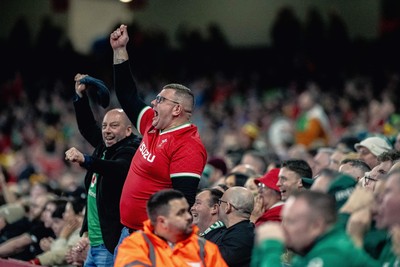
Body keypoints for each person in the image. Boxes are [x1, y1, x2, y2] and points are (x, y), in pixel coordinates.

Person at [110, 25, 207, 241]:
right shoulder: (152, 126)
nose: (153, 101)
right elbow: (127, 95)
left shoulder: (188, 146)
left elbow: (183, 201)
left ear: (176, 109)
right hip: (128, 232)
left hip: (151, 239)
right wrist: (120, 50)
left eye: (160, 99)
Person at [65, 73, 141, 266]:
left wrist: (86, 160)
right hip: (94, 243)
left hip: (110, 245)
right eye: (105, 125)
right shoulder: (104, 146)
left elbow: (116, 169)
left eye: (114, 126)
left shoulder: (131, 151)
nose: (106, 130)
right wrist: (80, 97)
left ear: (127, 131)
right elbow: (87, 126)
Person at [251, 190, 379, 267]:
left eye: (291, 221)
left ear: (316, 226)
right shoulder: (312, 249)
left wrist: (271, 246)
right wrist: (260, 248)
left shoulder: (334, 251)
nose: (283, 228)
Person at [114, 189, 228, 266]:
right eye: (180, 213)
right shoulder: (135, 245)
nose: (188, 216)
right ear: (162, 221)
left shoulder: (204, 248)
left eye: (187, 210)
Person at [215, 186, 255, 267]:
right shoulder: (245, 231)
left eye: (220, 202)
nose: (217, 206)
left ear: (228, 207)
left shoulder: (240, 237)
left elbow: (213, 261)